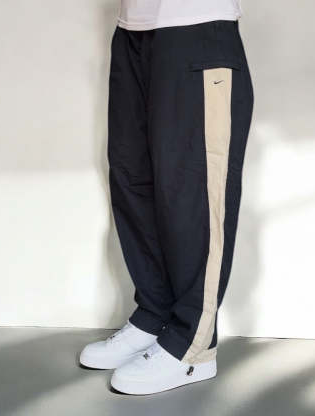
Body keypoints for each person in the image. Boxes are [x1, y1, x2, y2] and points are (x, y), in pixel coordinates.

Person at [80, 0, 254, 395]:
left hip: (198, 26)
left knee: (194, 194)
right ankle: (155, 316)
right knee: (133, 179)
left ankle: (193, 345)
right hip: (132, 29)